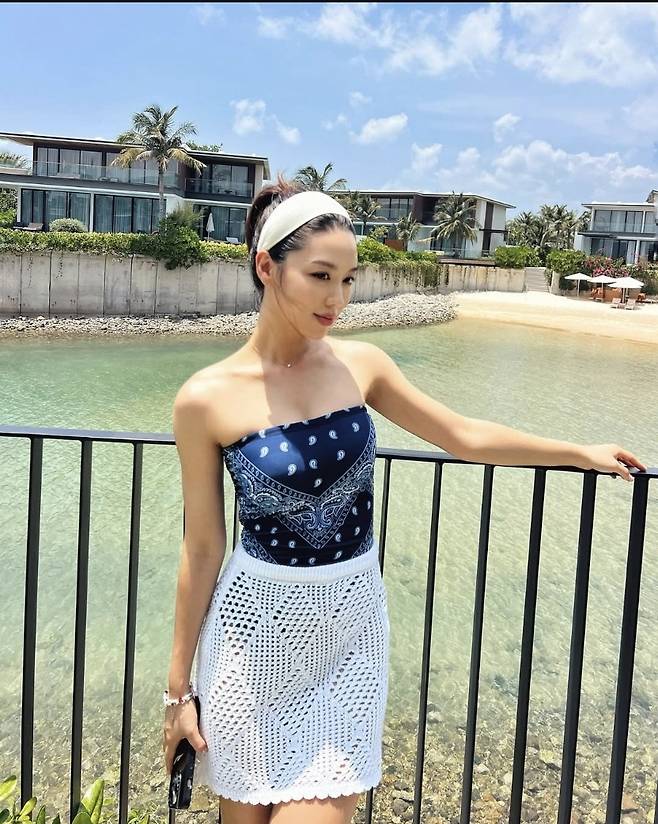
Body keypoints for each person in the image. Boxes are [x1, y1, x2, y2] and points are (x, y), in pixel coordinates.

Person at [163, 176, 647, 824]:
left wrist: (577, 451)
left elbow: (463, 435)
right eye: (320, 276)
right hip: (252, 640)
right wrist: (178, 693)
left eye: (349, 279)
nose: (338, 299)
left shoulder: (362, 366)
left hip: (350, 633)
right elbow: (202, 547)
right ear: (267, 267)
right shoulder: (204, 398)